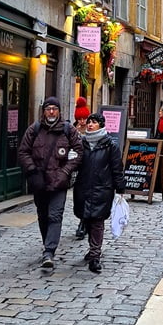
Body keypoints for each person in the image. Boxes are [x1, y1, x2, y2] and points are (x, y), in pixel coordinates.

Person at [19, 97, 83, 270]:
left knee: (55, 215)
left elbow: (78, 152)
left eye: (55, 108)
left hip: (59, 181)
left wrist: (66, 171)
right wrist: (32, 171)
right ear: (44, 111)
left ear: (59, 111)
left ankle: (49, 251)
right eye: (49, 109)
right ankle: (48, 242)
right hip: (40, 181)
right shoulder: (35, 129)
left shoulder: (68, 130)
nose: (52, 112)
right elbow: (23, 151)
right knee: (43, 215)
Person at [72, 113, 125, 274]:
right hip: (83, 187)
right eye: (89, 122)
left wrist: (120, 188)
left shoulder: (110, 145)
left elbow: (117, 168)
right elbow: (76, 164)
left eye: (94, 122)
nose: (90, 125)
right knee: (87, 219)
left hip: (102, 188)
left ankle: (95, 255)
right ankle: (92, 249)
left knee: (97, 221)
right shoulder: (82, 143)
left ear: (101, 125)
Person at [73, 96, 91, 239]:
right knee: (79, 198)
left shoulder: (92, 130)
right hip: (77, 169)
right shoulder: (72, 130)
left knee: (87, 198)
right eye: (80, 119)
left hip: (90, 169)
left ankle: (83, 224)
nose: (82, 121)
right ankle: (82, 220)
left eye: (84, 118)